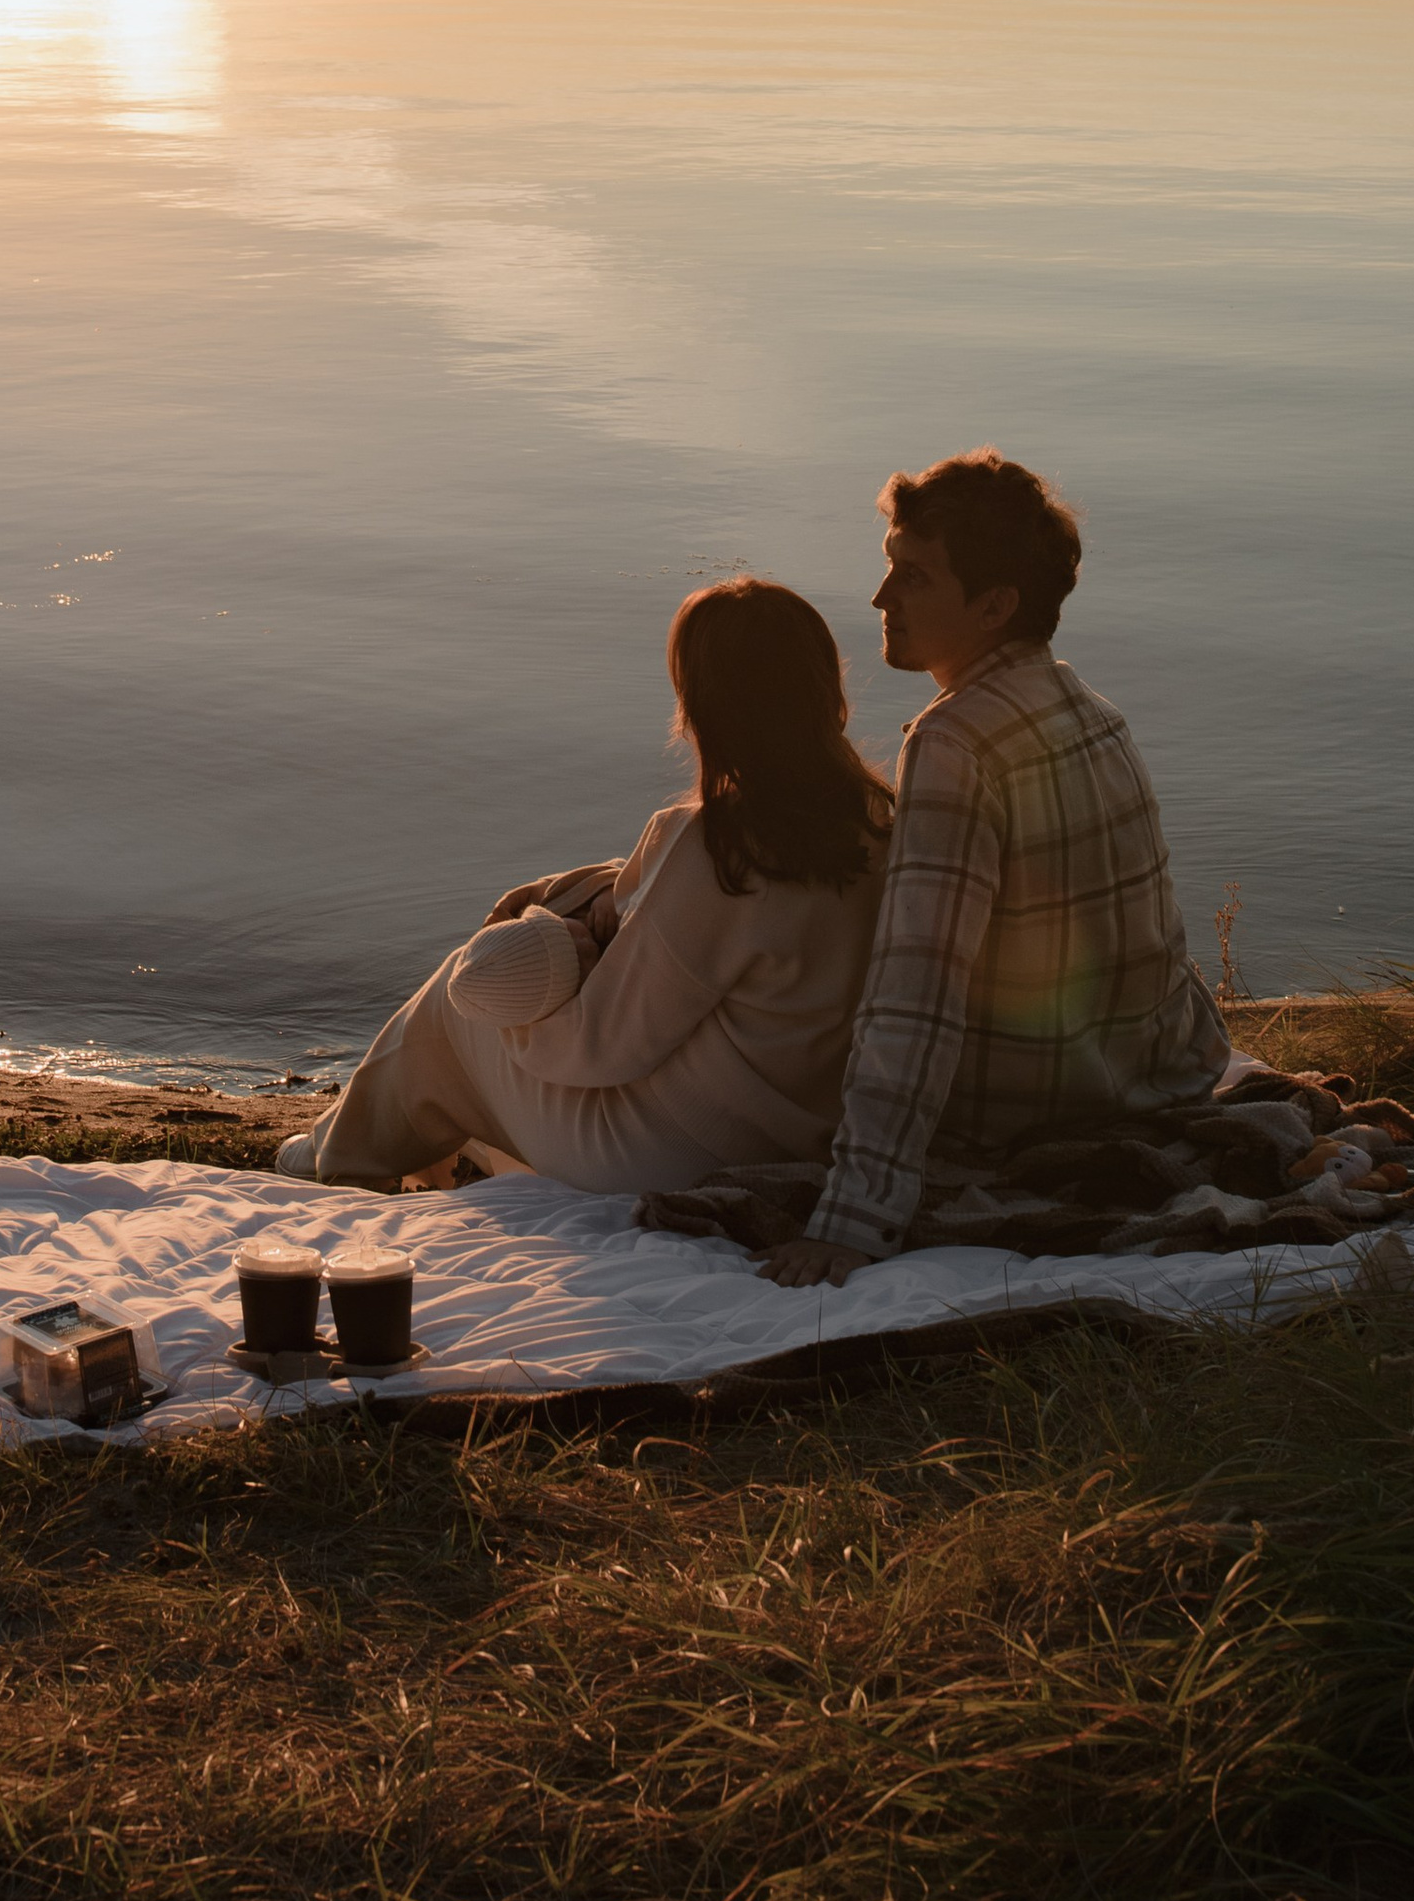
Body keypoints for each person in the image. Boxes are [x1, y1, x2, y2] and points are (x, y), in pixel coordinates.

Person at [755, 450, 1228, 1290]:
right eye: (888, 569)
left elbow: (917, 993)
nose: (880, 600)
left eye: (914, 578)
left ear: (996, 605)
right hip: (1148, 1079)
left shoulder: (955, 744)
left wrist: (855, 1217)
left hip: (1025, 1115)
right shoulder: (1092, 710)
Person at [280, 577, 891, 1197]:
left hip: (672, 1157)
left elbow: (599, 1048)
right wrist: (593, 895)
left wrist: (516, 996)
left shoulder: (721, 844)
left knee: (456, 1003)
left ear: (705, 705)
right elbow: (671, 909)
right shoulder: (877, 823)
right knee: (482, 1004)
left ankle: (332, 1159)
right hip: (798, 1137)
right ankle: (403, 1156)